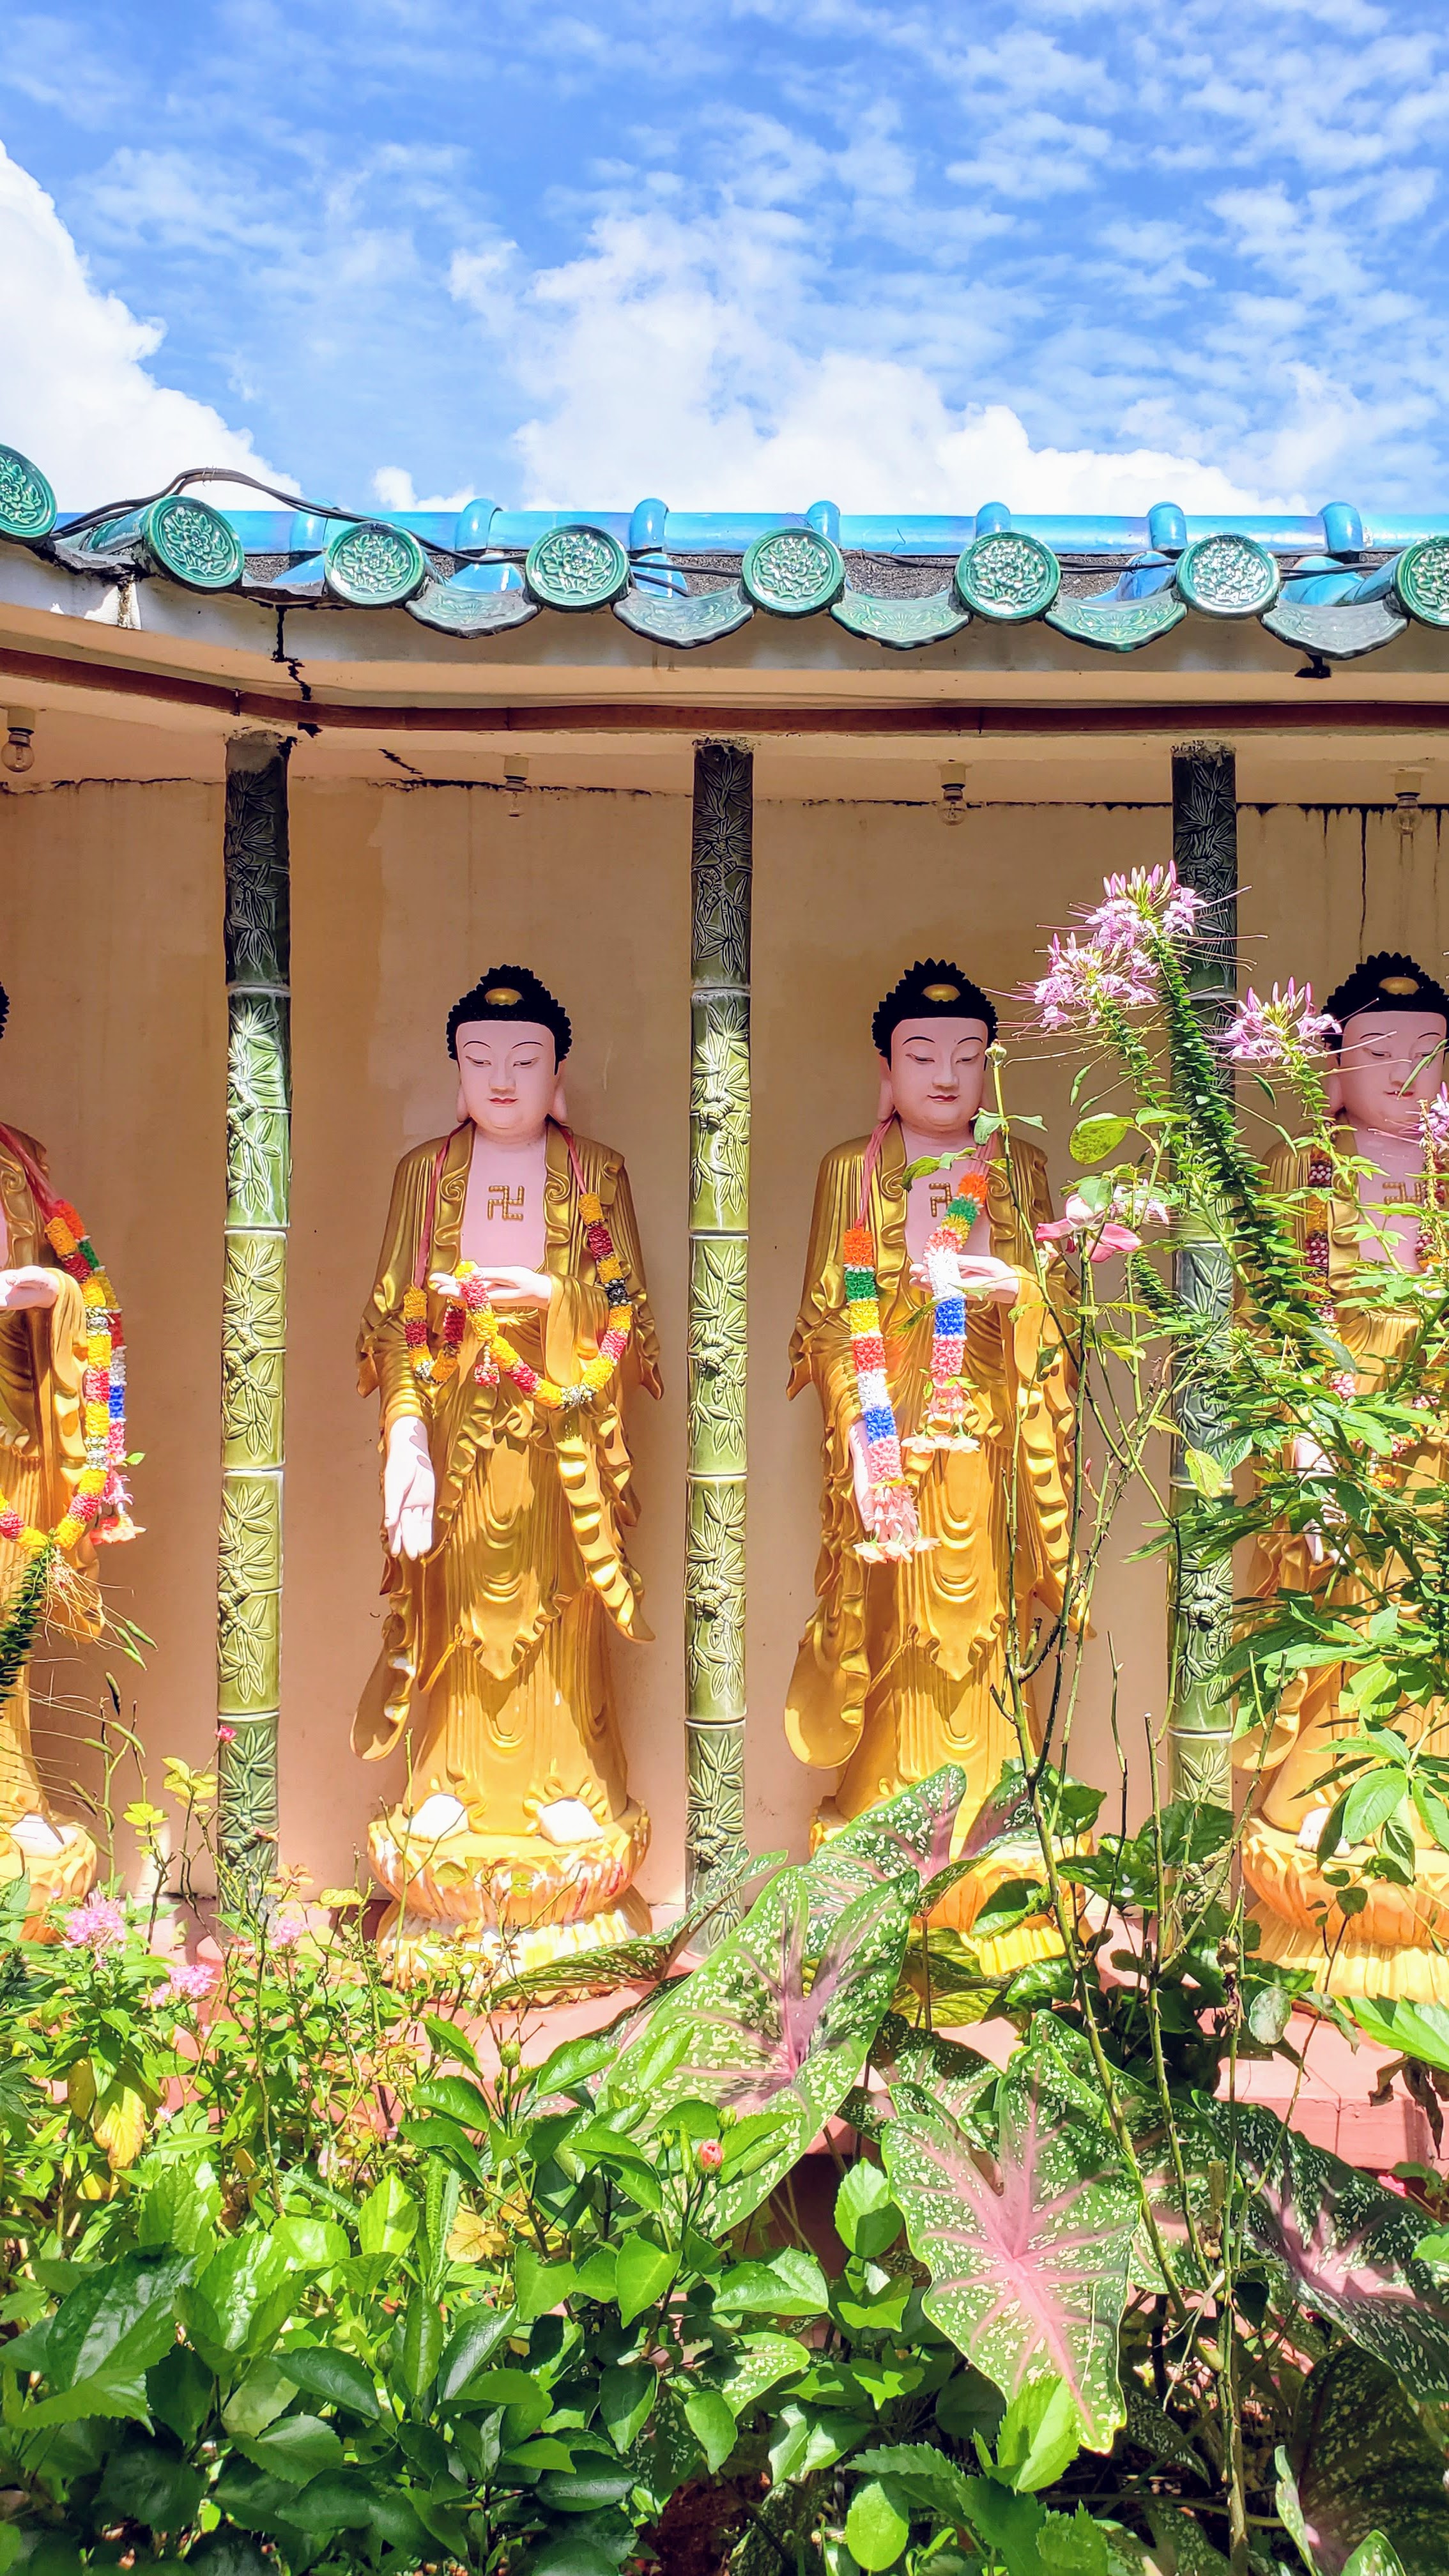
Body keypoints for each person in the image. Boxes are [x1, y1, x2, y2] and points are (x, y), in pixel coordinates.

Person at [355, 967, 660, 1961]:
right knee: (449, 1604)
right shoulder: (426, 1176)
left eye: (525, 1060)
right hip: (453, 1435)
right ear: (455, 1071)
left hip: (558, 1435)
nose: (502, 1078)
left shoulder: (594, 1174)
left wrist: (550, 1297)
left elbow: (629, 1311)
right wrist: (406, 1432)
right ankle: (443, 1784)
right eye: (480, 1060)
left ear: (558, 1073)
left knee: (559, 1603)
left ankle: (568, 1784)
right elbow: (394, 1318)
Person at [785, 960, 1077, 1965]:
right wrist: (868, 1434)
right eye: (922, 1055)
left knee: (981, 1623)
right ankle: (886, 1815)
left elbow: (1059, 1309)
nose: (946, 1075)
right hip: (885, 1437)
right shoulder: (850, 1173)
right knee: (893, 1627)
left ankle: (997, 1834)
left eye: (967, 1058)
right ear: (886, 1069)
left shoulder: (1020, 1168)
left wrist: (1018, 1291)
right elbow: (827, 1319)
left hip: (987, 1438)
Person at [1241, 951, 1449, 2000]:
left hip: (1440, 1452)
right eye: (1381, 1051)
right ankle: (1322, 1814)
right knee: (1336, 1632)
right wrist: (1308, 1441)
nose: (1408, 1075)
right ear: (1331, 1065)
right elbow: (1274, 1321)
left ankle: (1426, 1819)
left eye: (1430, 1055)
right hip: (1336, 1450)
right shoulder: (1301, 1172)